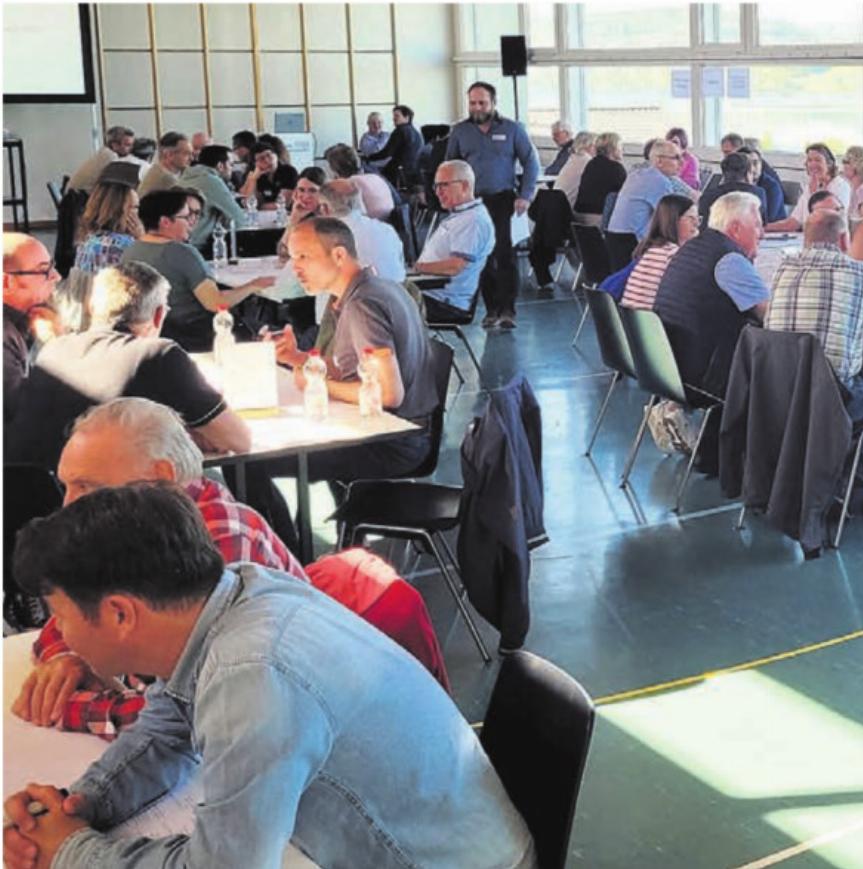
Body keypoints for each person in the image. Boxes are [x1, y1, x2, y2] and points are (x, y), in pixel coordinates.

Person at [2, 485, 536, 868]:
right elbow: (168, 728)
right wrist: (81, 805)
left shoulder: (250, 676)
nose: (59, 634)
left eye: (61, 613)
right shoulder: (234, 592)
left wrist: (71, 851)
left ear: (120, 613)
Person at [12, 397, 307, 736]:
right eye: (65, 486)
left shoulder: (219, 539)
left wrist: (71, 706)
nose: (68, 505)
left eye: (88, 487)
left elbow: (192, 715)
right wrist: (65, 659)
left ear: (160, 477)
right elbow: (69, 609)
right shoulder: (132, 530)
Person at [245, 218, 437, 543]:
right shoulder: (368, 290)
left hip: (392, 442)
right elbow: (349, 370)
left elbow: (389, 395)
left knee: (253, 465)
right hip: (393, 430)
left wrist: (316, 384)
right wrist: (297, 359)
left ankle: (286, 559)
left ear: (338, 255)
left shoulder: (363, 305)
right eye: (292, 258)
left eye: (304, 257)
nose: (295, 268)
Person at [5, 263, 252, 469]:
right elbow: (239, 439)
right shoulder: (158, 355)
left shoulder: (54, 350)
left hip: (33, 497)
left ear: (92, 308)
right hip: (102, 505)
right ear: (158, 315)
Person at [766, 209, 863, 435]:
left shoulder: (782, 270)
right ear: (845, 239)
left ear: (805, 239)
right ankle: (859, 466)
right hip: (836, 393)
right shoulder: (858, 272)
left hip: (781, 388)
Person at [651, 191, 772, 402]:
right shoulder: (728, 260)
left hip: (668, 365)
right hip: (704, 377)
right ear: (735, 229)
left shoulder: (692, 247)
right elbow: (772, 317)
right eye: (757, 226)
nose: (762, 234)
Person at [120, 188, 271, 351]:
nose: (192, 222)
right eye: (185, 217)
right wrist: (254, 285)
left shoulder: (130, 251)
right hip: (199, 335)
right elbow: (215, 303)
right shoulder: (182, 253)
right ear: (165, 221)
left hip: (155, 335)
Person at [444, 81, 541, 329]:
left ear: (493, 103)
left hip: (503, 199)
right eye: (473, 103)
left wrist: (526, 195)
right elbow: (450, 167)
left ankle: (508, 309)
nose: (477, 107)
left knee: (504, 254)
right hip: (473, 202)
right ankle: (490, 309)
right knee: (480, 256)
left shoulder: (512, 129)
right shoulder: (460, 132)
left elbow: (531, 162)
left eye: (482, 103)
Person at [415, 160, 496, 321]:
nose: (438, 192)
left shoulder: (473, 220)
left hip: (443, 302)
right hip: (431, 293)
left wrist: (417, 268)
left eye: (444, 185)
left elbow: (454, 266)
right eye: (436, 186)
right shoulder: (461, 215)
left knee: (376, 304)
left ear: (465, 186)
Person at [606, 136, 694, 246]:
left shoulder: (636, 175)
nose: (682, 163)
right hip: (634, 245)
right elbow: (670, 219)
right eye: (676, 158)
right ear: (659, 161)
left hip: (617, 243)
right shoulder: (659, 181)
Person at [3, 234, 60, 400]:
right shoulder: (4, 340)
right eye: (44, 270)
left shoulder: (28, 318)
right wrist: (58, 347)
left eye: (52, 266)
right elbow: (20, 412)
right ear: (6, 283)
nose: (56, 276)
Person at [316, 180, 408, 283]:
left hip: (358, 296)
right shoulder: (386, 229)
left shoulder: (329, 240)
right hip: (397, 294)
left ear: (324, 209)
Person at [620, 193, 697, 311]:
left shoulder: (652, 249)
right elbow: (690, 292)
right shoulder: (672, 254)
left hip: (635, 324)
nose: (696, 224)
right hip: (655, 325)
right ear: (674, 220)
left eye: (698, 219)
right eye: (691, 218)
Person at [767, 143, 851, 233]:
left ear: (829, 164)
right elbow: (792, 223)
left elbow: (824, 223)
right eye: (810, 160)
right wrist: (763, 227)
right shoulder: (810, 187)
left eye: (817, 160)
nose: (813, 164)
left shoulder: (840, 187)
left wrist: (813, 193)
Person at [70, 181, 140, 275]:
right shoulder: (127, 245)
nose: (138, 213)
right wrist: (142, 240)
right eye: (135, 207)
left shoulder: (86, 241)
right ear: (119, 211)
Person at [177, 145, 242, 246]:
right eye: (231, 165)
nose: (232, 170)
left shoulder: (184, 178)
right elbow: (238, 220)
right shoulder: (211, 181)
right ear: (220, 166)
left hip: (180, 243)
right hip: (199, 246)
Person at [324, 143, 395, 220]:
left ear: (333, 168)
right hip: (391, 225)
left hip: (371, 227)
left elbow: (354, 217)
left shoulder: (350, 185)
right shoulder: (375, 177)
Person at [574, 131, 630, 226]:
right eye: (621, 147)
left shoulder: (591, 164)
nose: (623, 150)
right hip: (598, 218)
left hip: (579, 216)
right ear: (613, 149)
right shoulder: (616, 168)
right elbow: (627, 195)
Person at [696, 152, 764, 227]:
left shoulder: (709, 195)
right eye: (752, 173)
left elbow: (703, 225)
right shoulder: (758, 194)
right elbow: (762, 224)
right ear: (747, 174)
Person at [364, 104, 425, 184]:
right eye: (394, 116)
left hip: (398, 173)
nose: (394, 118)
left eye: (397, 116)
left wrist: (369, 158)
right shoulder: (416, 133)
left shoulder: (400, 131)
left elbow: (387, 153)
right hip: (414, 173)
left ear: (406, 117)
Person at [69, 126, 137, 193]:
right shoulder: (111, 157)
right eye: (128, 145)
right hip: (79, 199)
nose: (131, 148)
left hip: (74, 196)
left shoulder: (104, 153)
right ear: (115, 145)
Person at [238, 145, 298, 210]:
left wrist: (258, 207)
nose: (267, 160)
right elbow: (249, 202)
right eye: (261, 159)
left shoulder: (288, 171)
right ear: (255, 164)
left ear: (276, 156)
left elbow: (284, 204)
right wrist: (254, 180)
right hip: (263, 216)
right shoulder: (255, 175)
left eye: (269, 155)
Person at [739, 144, 788, 223]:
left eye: (755, 163)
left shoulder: (772, 186)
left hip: (772, 231)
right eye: (748, 164)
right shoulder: (735, 183)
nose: (752, 168)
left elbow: (766, 219)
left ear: (761, 164)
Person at [134, 132, 192, 197]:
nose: (191, 158)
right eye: (186, 154)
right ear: (169, 154)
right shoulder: (167, 180)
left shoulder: (156, 169)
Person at [552, 127, 596, 207]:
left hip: (556, 205)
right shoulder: (588, 161)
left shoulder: (572, 158)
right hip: (569, 208)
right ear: (589, 146)